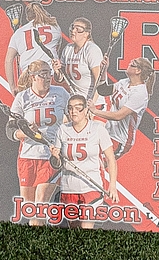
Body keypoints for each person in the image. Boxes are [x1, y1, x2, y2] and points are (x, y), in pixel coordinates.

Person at [9, 62, 68, 224]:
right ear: (33, 77)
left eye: (49, 73)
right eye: (43, 74)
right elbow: (10, 131)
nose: (48, 77)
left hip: (51, 156)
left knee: (41, 203)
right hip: (27, 156)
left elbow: (74, 116)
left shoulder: (60, 93)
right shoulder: (22, 97)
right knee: (30, 210)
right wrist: (27, 132)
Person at [51, 95, 119, 228]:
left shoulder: (97, 129)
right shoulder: (63, 130)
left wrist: (112, 186)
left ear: (86, 110)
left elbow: (111, 159)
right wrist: (55, 157)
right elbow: (56, 163)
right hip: (69, 188)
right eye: (70, 108)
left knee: (86, 227)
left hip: (91, 187)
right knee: (74, 229)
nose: (73, 112)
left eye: (78, 108)